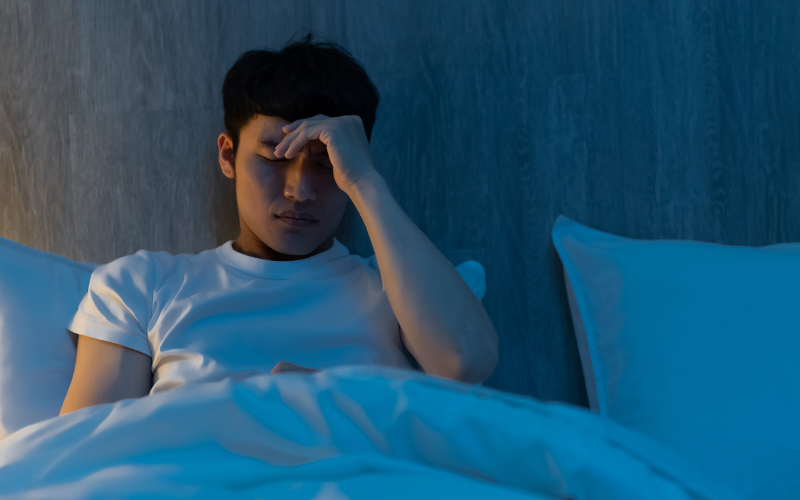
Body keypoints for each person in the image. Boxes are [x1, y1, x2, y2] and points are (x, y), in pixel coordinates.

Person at [60, 32, 495, 416]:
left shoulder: (400, 295)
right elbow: (84, 453)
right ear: (228, 156)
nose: (300, 190)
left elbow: (463, 363)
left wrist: (366, 182)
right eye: (274, 158)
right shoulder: (143, 286)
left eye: (326, 164)